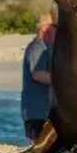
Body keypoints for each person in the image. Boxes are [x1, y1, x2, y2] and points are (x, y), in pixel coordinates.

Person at [20, 10, 56, 144]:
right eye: (54, 27)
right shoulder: (37, 47)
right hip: (36, 110)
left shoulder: (47, 48)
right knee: (36, 143)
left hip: (43, 110)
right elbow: (37, 74)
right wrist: (62, 82)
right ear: (45, 28)